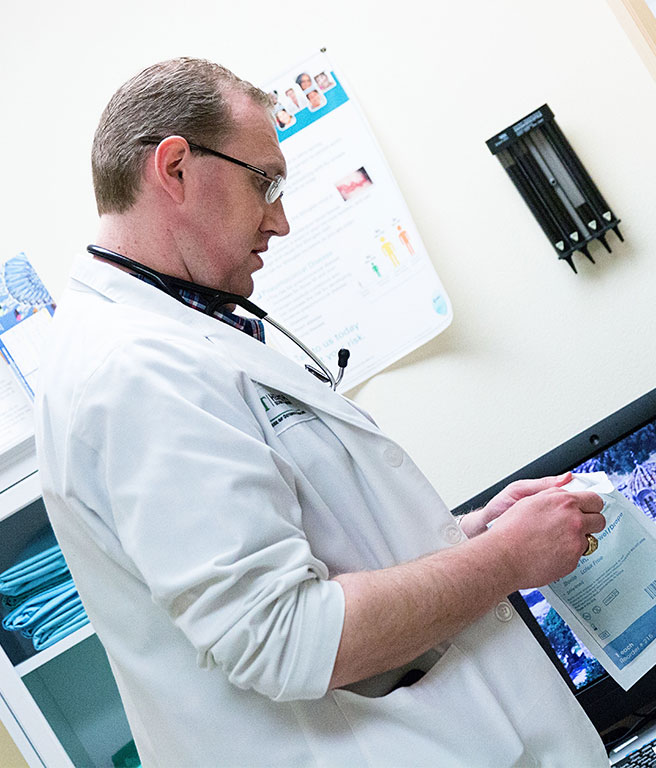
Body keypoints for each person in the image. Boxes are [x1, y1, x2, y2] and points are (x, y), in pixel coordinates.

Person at [34, 57, 608, 767]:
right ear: (175, 168)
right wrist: (506, 559)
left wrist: (464, 536)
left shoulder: (176, 337)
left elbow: (306, 554)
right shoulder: (134, 371)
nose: (279, 218)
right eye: (265, 182)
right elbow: (284, 636)